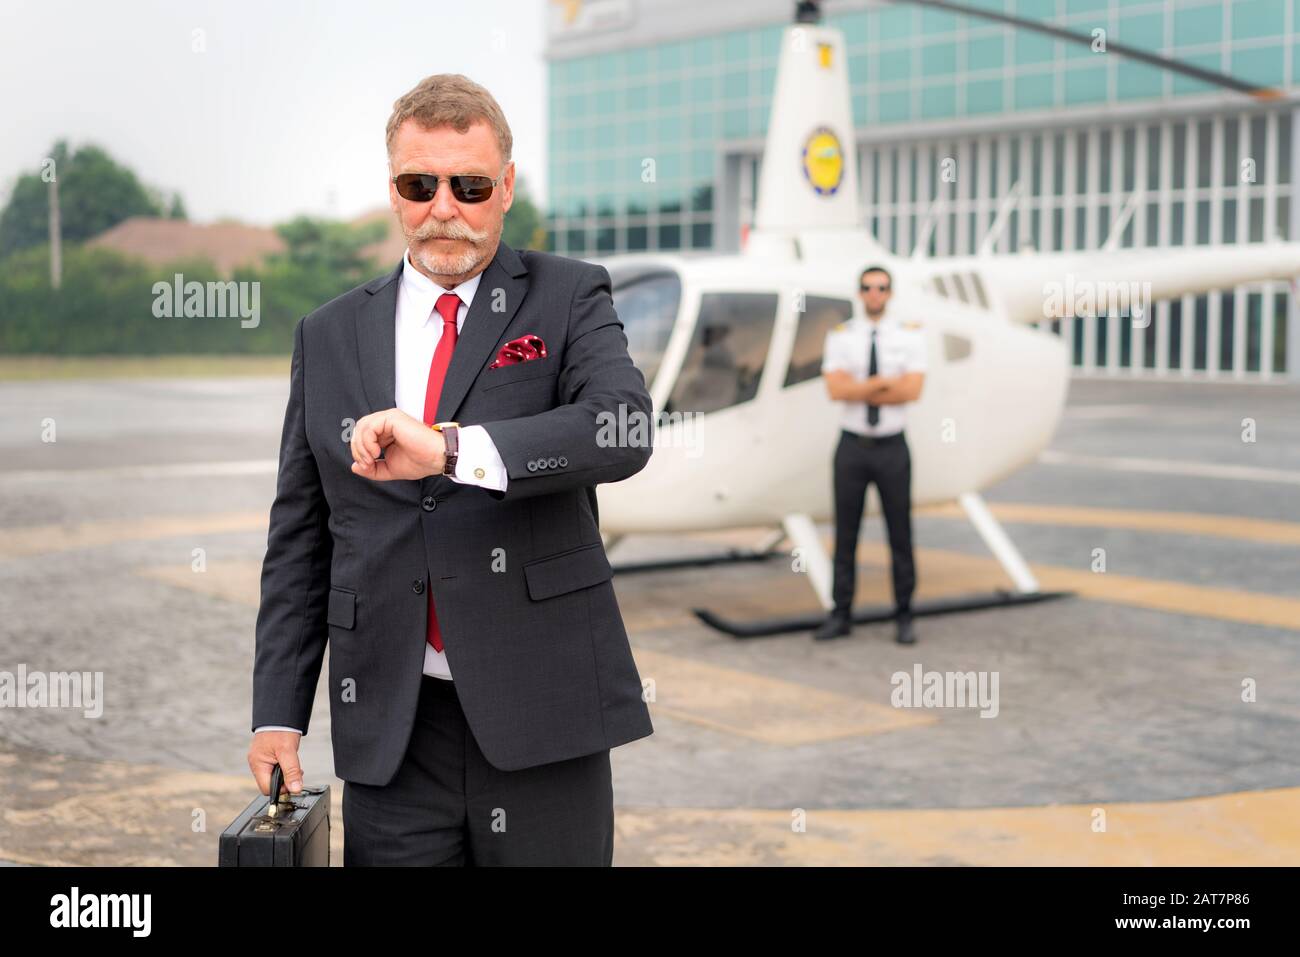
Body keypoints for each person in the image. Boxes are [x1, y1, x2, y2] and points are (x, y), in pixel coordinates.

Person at [247, 73, 655, 865]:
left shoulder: (569, 296)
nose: (444, 206)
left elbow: (624, 427)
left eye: (468, 185)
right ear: (393, 191)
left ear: (505, 187)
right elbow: (300, 537)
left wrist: (453, 448)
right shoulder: (327, 333)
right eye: (418, 183)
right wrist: (277, 712)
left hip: (544, 713)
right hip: (392, 731)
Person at [813, 264, 926, 644]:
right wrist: (883, 382)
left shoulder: (909, 335)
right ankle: (841, 613)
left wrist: (859, 385)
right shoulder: (842, 335)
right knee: (846, 534)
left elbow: (911, 390)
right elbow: (835, 390)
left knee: (900, 534)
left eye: (881, 287)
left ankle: (905, 615)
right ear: (859, 293)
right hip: (852, 448)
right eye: (867, 287)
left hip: (892, 447)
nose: (874, 294)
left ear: (889, 293)